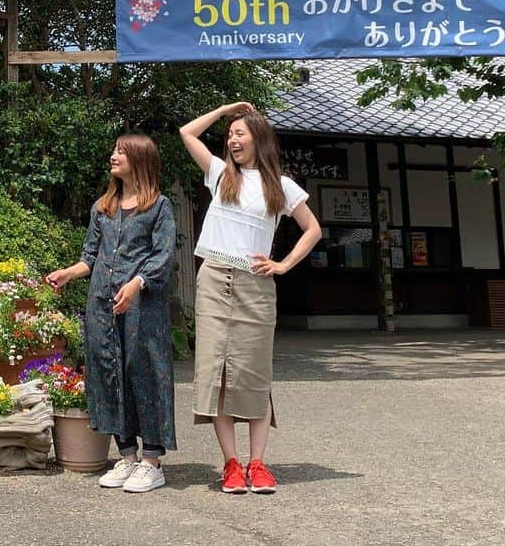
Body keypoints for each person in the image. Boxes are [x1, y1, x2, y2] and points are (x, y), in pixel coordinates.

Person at [179, 102, 322, 494]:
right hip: (213, 279)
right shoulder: (221, 174)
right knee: (217, 373)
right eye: (231, 134)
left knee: (255, 374)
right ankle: (230, 464)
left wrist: (282, 264)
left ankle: (258, 463)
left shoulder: (282, 186)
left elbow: (313, 230)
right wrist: (226, 110)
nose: (233, 139)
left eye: (241, 133)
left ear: (259, 140)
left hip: (255, 285)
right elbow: (187, 133)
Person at [46, 134, 177, 493]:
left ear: (140, 159)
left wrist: (136, 284)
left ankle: (152, 460)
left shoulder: (159, 207)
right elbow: (91, 256)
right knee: (108, 372)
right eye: (115, 150)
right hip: (101, 302)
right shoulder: (102, 207)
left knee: (144, 373)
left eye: (121, 151)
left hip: (142, 307)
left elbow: (163, 257)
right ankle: (127, 456)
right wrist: (68, 273)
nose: (113, 155)